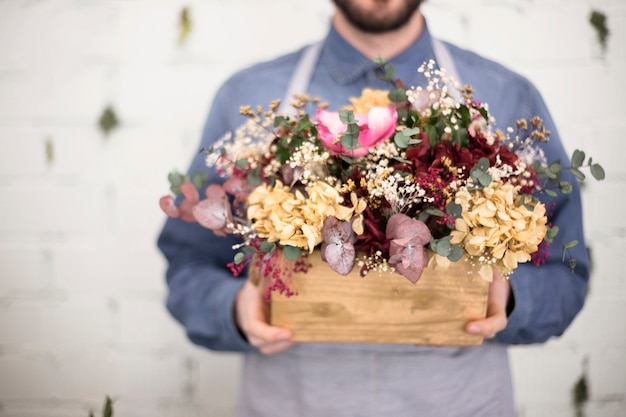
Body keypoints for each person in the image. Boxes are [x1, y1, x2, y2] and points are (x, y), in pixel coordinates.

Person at [157, 1, 589, 416]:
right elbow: (188, 260)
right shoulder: (248, 95)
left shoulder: (508, 96)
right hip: (293, 402)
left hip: (459, 404)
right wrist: (234, 310)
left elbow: (567, 277)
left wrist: (511, 299)